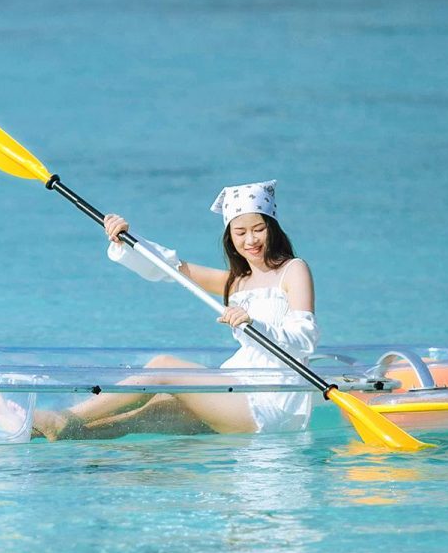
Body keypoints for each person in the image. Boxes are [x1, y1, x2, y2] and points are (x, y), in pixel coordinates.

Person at [31, 180, 319, 439]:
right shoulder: (235, 282)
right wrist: (127, 239)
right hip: (236, 387)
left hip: (271, 403)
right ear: (229, 237)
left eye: (259, 229)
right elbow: (173, 269)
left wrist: (256, 324)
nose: (250, 240)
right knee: (142, 416)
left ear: (273, 228)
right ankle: (42, 431)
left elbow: (305, 337)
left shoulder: (293, 270)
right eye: (240, 232)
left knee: (162, 365)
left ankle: (63, 417)